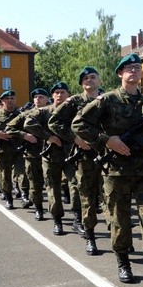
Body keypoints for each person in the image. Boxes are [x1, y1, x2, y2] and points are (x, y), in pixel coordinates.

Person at [72, 54, 143, 285]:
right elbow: (78, 124)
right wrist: (106, 140)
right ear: (120, 74)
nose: (134, 71)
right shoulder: (107, 100)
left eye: (137, 68)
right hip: (116, 171)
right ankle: (124, 263)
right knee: (120, 219)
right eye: (128, 68)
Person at [49, 66, 105, 255]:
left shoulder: (107, 99)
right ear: (81, 84)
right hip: (84, 157)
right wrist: (75, 139)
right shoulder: (74, 102)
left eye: (92, 77)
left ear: (99, 80)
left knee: (110, 198)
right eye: (85, 79)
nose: (89, 80)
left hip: (108, 154)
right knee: (87, 197)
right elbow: (54, 122)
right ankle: (90, 237)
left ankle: (119, 237)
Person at [23, 82, 81, 235]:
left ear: (68, 94)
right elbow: (28, 124)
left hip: (71, 156)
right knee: (53, 189)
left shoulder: (75, 111)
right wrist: (48, 137)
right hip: (50, 157)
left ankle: (77, 219)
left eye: (63, 92)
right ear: (52, 96)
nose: (59, 95)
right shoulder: (44, 111)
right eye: (56, 93)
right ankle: (57, 221)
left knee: (76, 186)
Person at [6, 88, 50, 219]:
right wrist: (24, 135)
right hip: (33, 154)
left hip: (53, 154)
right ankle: (39, 208)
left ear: (47, 99)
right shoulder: (26, 114)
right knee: (35, 182)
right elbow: (9, 128)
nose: (38, 99)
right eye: (35, 97)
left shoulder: (53, 113)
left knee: (52, 183)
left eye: (41, 96)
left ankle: (55, 210)